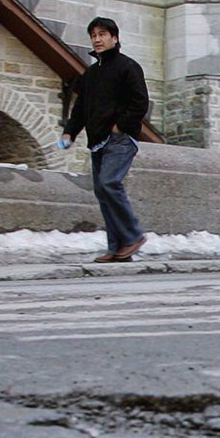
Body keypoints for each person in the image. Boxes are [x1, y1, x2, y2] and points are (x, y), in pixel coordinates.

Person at [61, 17, 150, 263]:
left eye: (102, 34)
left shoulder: (127, 67)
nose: (97, 39)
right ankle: (118, 247)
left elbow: (140, 102)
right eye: (93, 35)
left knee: (110, 183)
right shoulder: (90, 74)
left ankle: (132, 236)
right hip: (97, 141)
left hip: (120, 139)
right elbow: (80, 108)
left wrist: (120, 126)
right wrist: (70, 131)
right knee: (103, 191)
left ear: (115, 38)